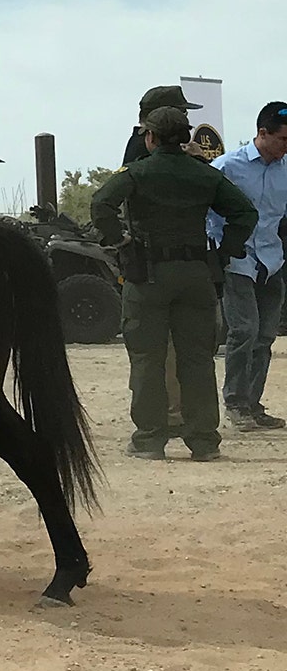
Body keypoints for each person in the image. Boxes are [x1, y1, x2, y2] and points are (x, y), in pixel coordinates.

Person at [92, 107, 257, 461]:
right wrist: (226, 250)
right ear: (185, 138)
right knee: (197, 359)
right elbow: (245, 212)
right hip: (196, 272)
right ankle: (204, 441)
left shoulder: (136, 172)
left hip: (147, 275)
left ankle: (150, 439)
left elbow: (100, 203)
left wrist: (119, 241)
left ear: (150, 137)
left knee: (147, 358)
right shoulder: (203, 175)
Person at [210, 101, 287, 431]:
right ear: (262, 133)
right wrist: (217, 252)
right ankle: (235, 402)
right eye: (283, 139)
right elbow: (206, 214)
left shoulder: (286, 170)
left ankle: (252, 404)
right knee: (244, 330)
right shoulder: (227, 166)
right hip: (236, 260)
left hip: (271, 261)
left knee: (265, 335)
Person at [121, 85, 203, 167]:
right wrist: (199, 159)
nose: (184, 118)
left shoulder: (140, 142)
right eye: (183, 113)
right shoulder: (147, 147)